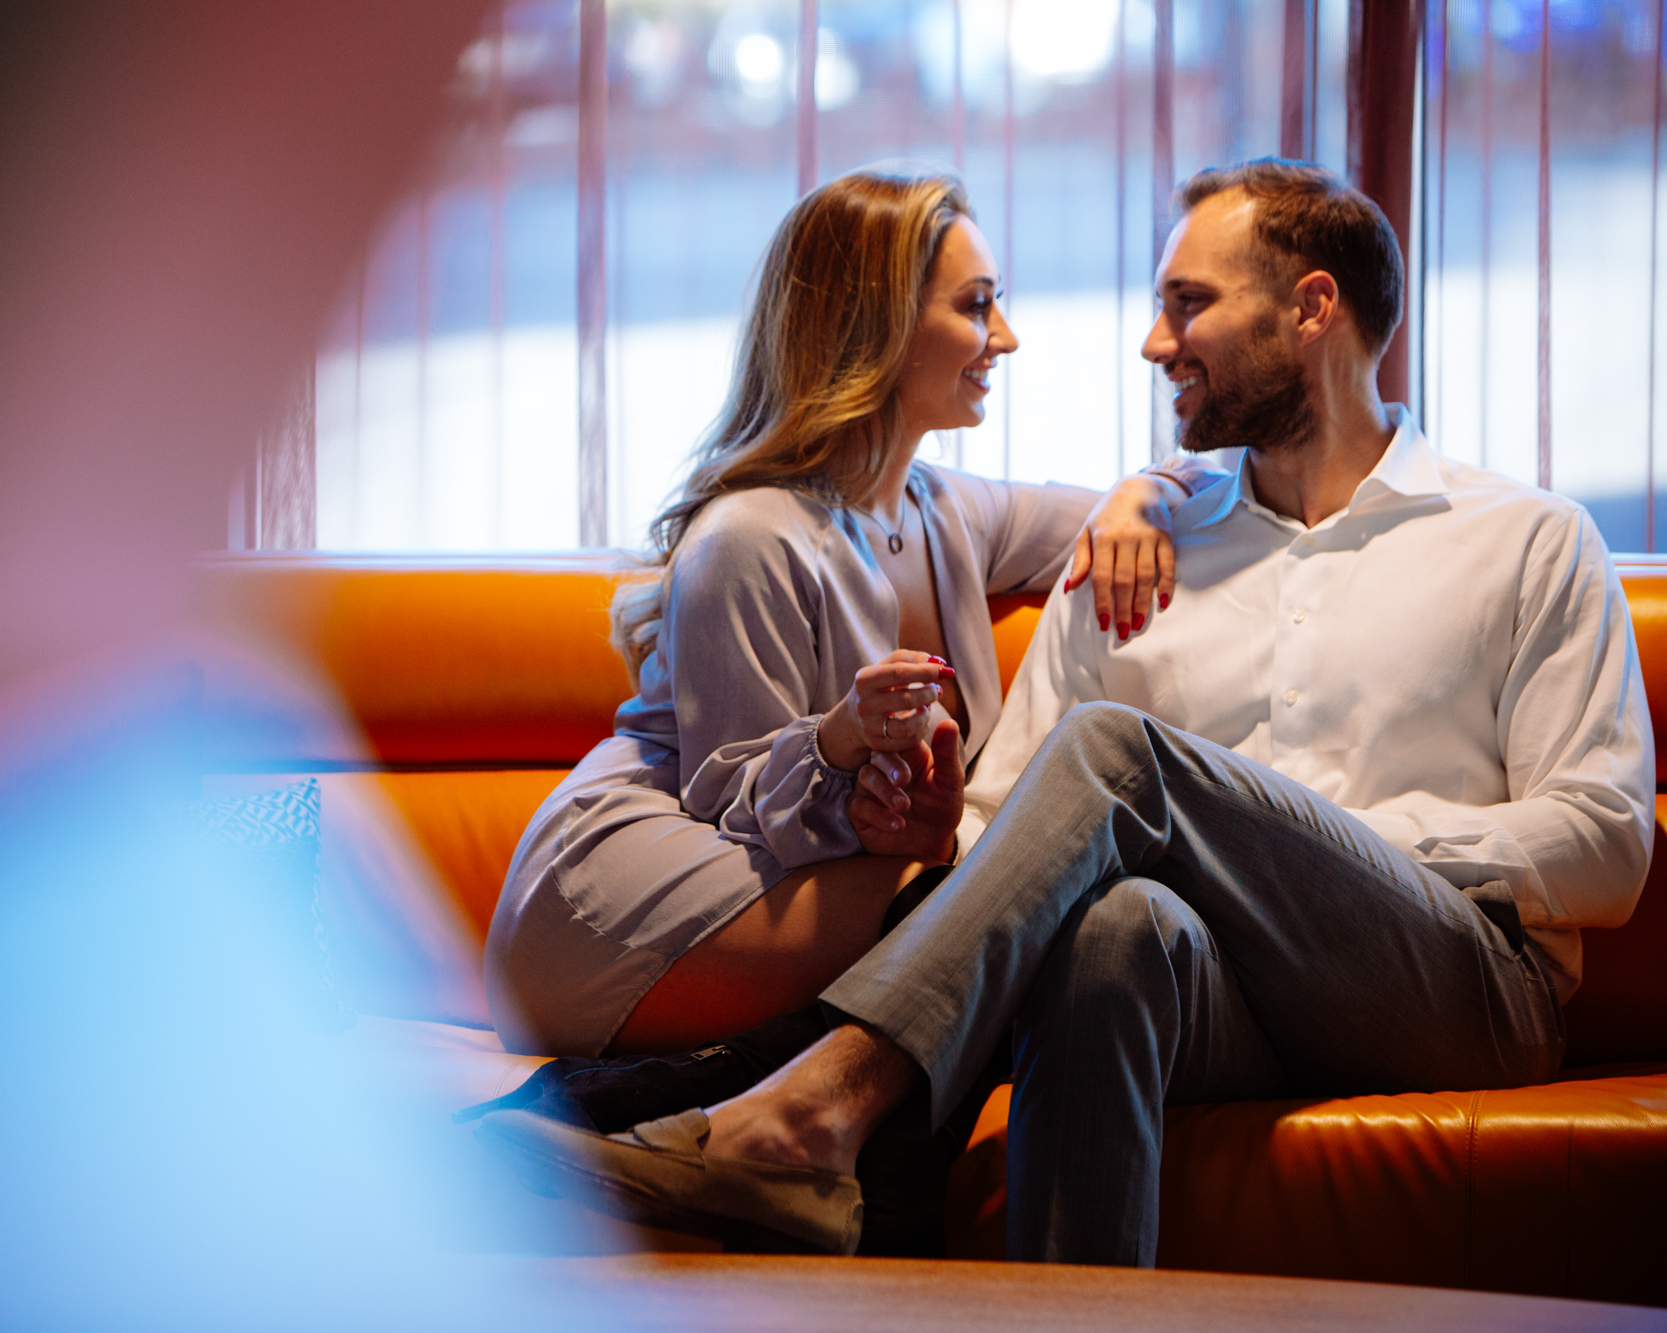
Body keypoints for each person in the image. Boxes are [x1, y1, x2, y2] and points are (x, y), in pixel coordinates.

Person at [475, 159, 1655, 1261]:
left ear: (1309, 309)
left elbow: (1604, 843)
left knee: (1119, 758)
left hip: (1453, 990)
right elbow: (1000, 817)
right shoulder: (1138, 553)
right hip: (1227, 996)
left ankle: (811, 1106)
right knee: (1110, 933)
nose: (1152, 343)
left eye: (1186, 304)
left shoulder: (1524, 538)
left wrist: (1301, 838)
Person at [483, 170, 1220, 1059]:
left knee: (1011, 889)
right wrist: (837, 741)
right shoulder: (749, 536)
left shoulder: (946, 509)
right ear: (879, 326)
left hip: (816, 880)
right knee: (997, 891)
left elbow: (1190, 488)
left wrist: (1139, 495)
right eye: (977, 306)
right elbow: (732, 804)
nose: (1006, 338)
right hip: (638, 887)